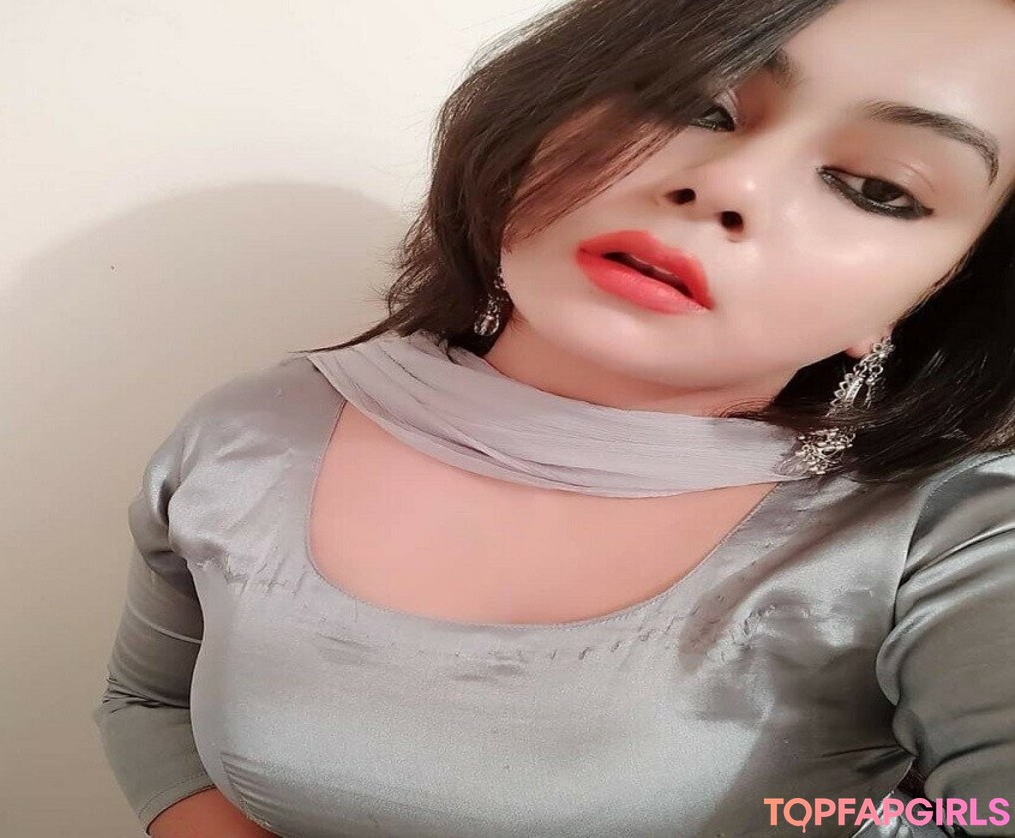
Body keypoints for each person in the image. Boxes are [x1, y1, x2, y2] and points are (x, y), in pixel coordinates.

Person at [92, 0, 1015, 835]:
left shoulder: (950, 540)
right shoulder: (252, 432)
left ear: (933, 292)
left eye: (879, 188)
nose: (730, 185)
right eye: (699, 105)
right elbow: (149, 706)